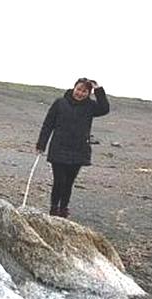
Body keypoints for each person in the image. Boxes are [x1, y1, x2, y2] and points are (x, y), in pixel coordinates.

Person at [36, 78, 110, 218]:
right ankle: (53, 208)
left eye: (85, 91)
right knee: (59, 181)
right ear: (73, 88)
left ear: (89, 93)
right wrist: (41, 144)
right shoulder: (60, 103)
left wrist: (98, 89)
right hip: (59, 148)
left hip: (78, 150)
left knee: (69, 182)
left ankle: (63, 208)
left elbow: (105, 109)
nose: (80, 93)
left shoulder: (90, 106)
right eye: (79, 89)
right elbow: (48, 124)